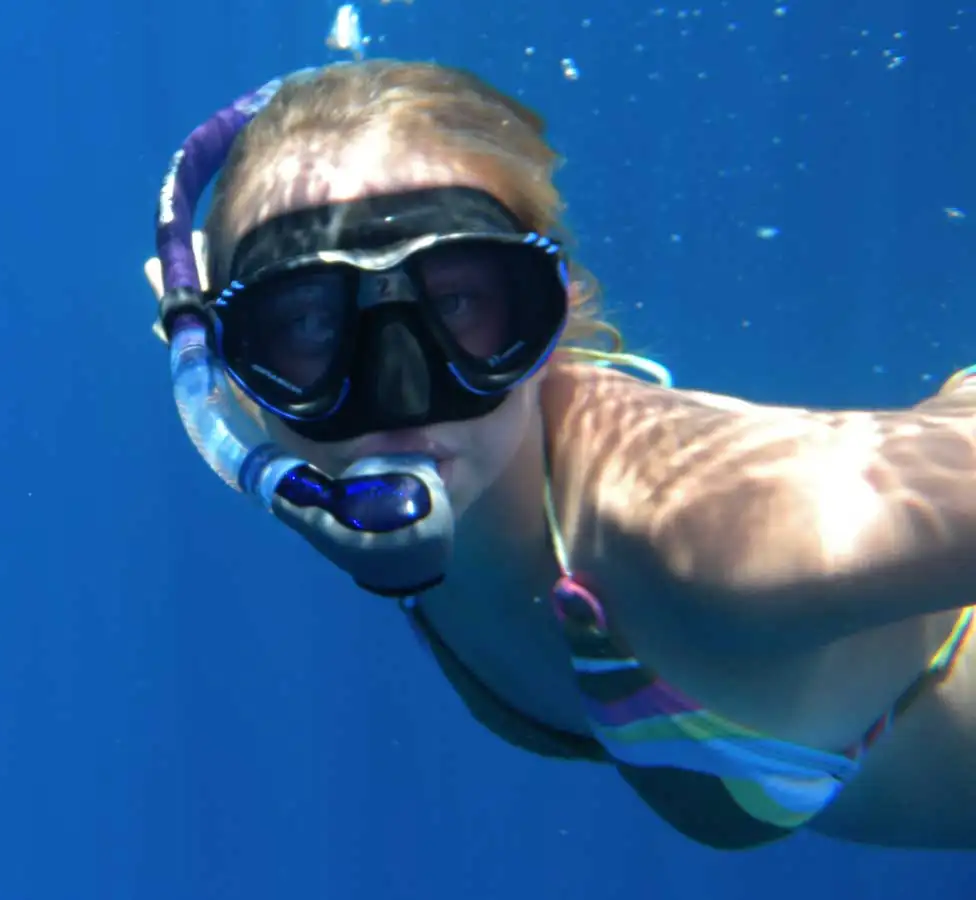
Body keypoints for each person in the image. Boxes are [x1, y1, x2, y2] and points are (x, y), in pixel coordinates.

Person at [143, 59, 976, 851]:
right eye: (309, 320)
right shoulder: (356, 477)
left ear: (556, 304)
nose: (400, 394)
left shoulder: (717, 533)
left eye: (459, 302)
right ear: (218, 361)